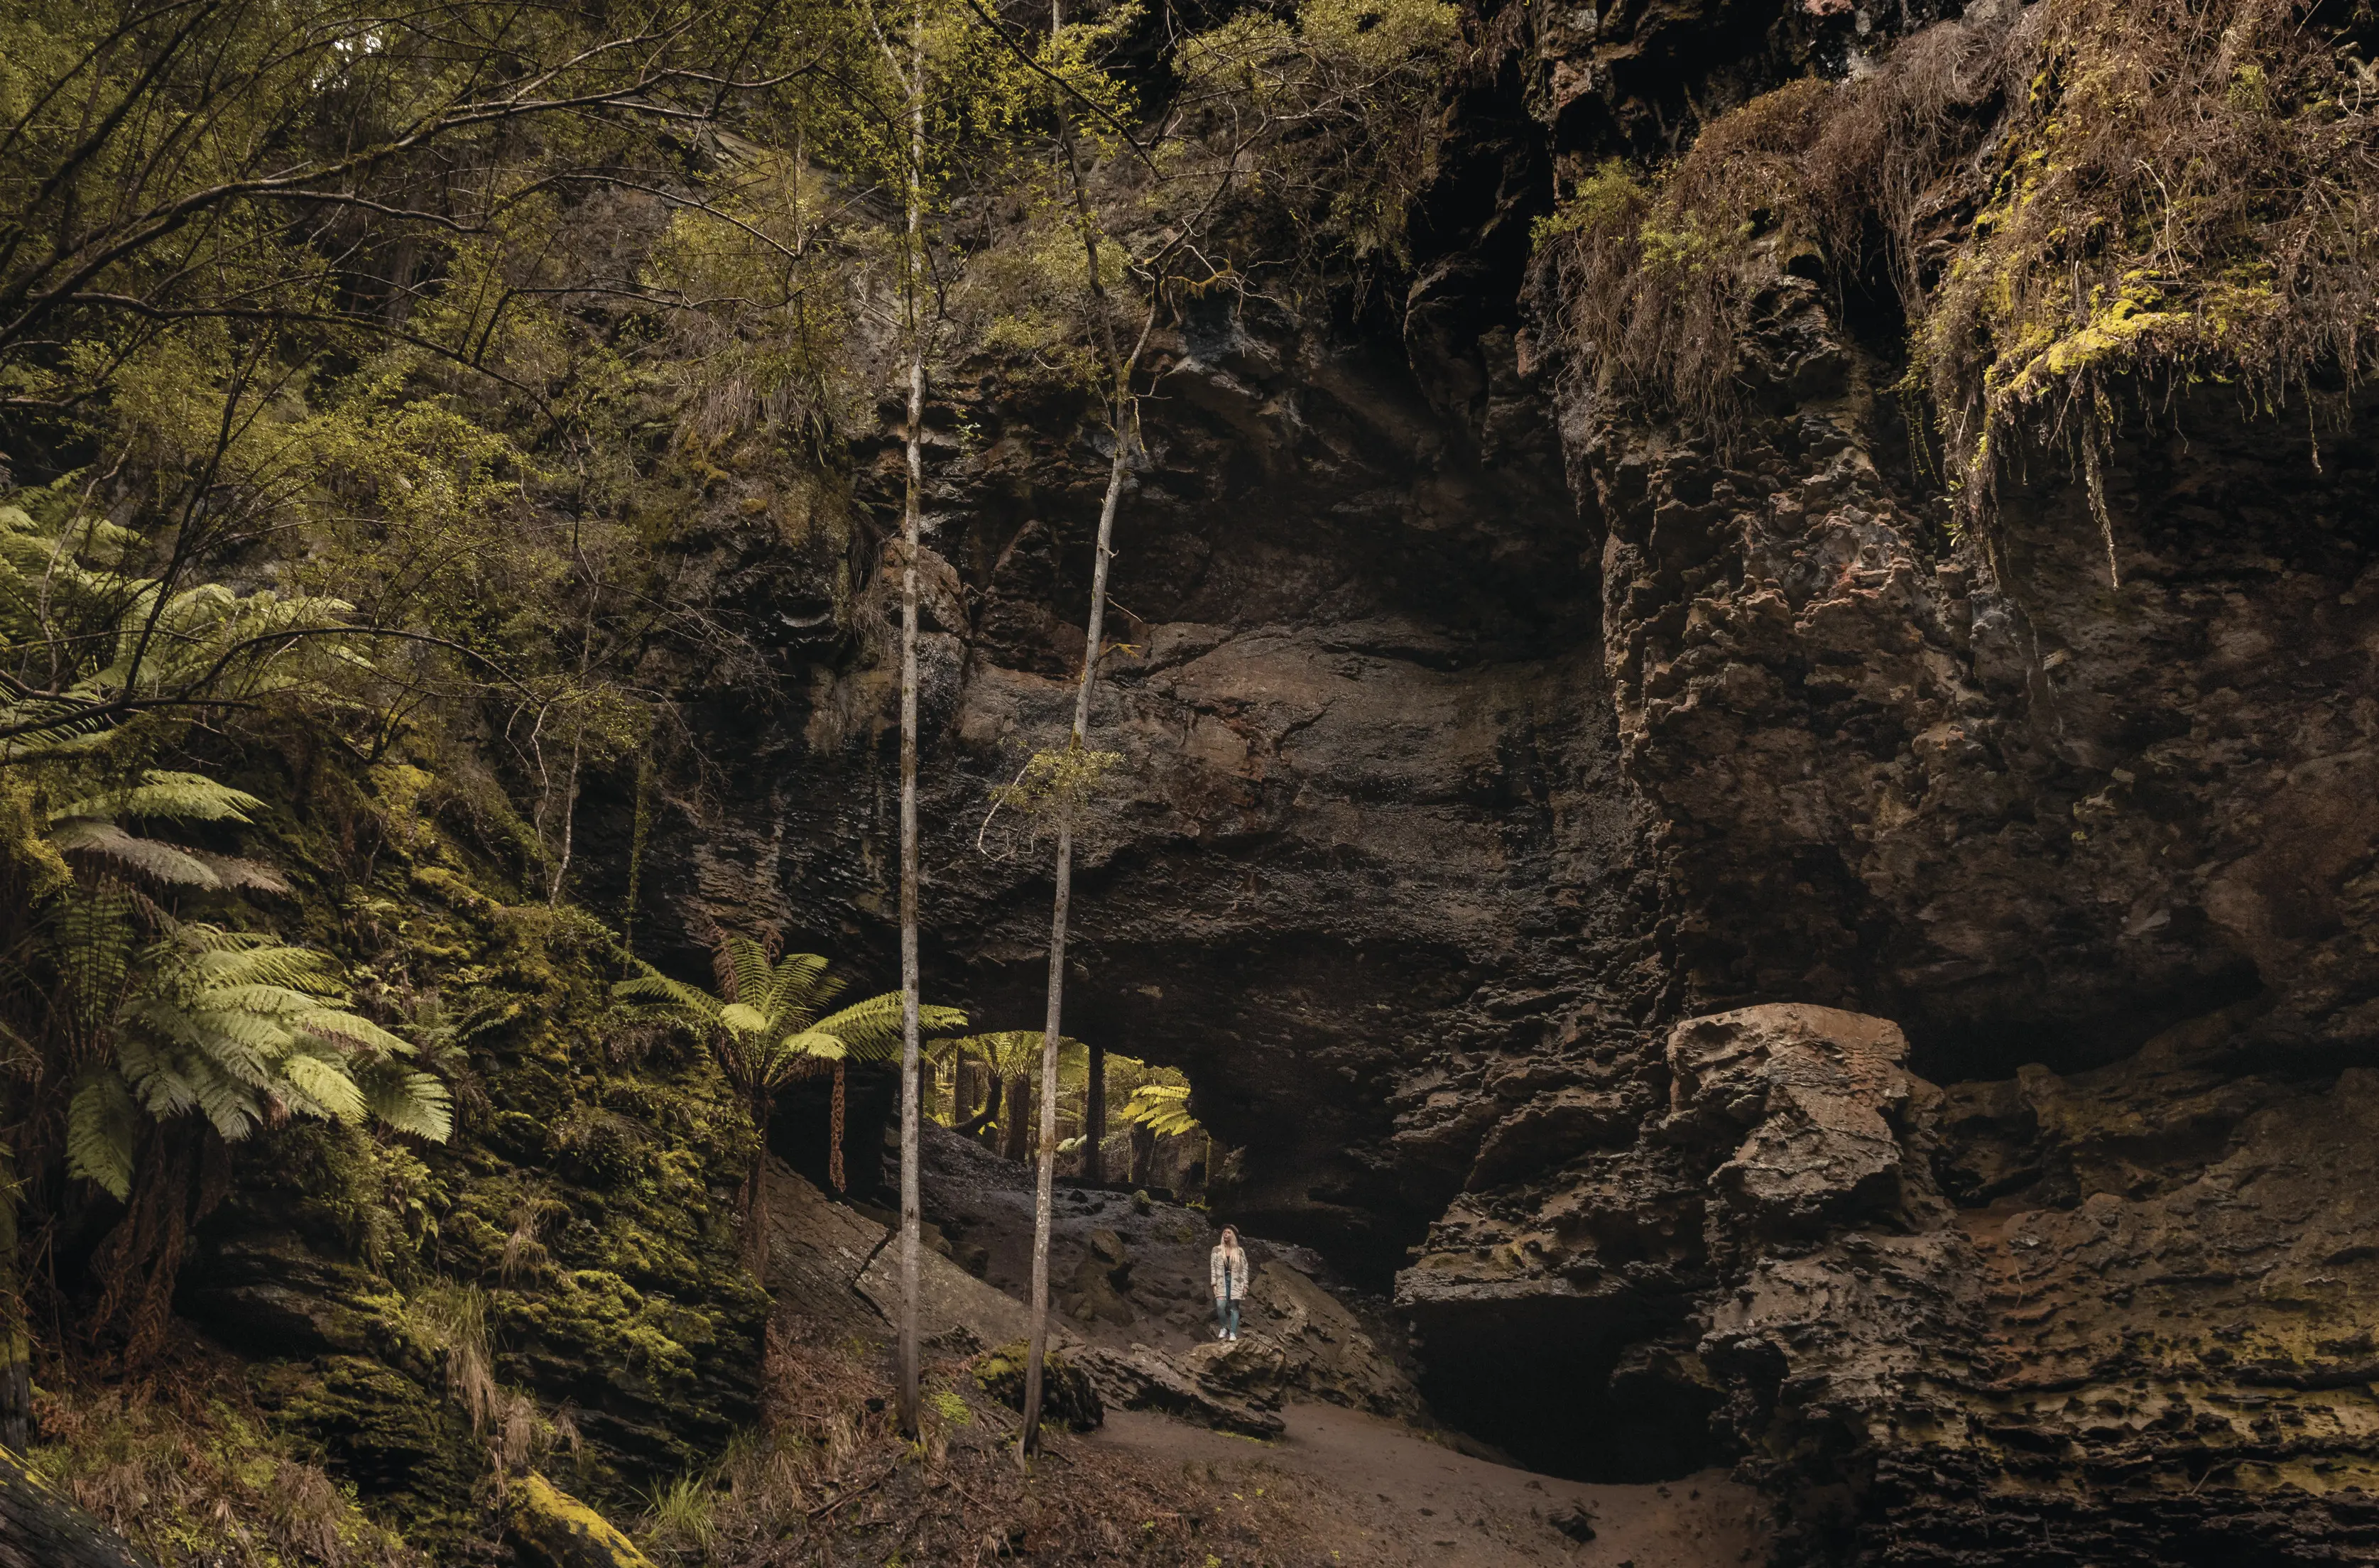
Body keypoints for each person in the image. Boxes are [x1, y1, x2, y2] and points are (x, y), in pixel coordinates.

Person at [1209, 1226, 1248, 1342]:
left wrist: (1245, 1285)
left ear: (1233, 1236)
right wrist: (1214, 1283)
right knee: (1220, 1306)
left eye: (1228, 1232)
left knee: (1234, 1307)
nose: (1225, 1234)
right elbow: (1213, 1268)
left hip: (1236, 1281)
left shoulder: (1239, 1251)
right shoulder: (1216, 1250)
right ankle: (1223, 1328)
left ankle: (1233, 1332)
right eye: (1224, 1232)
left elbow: (1245, 1268)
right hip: (1222, 1280)